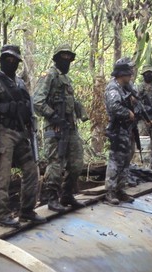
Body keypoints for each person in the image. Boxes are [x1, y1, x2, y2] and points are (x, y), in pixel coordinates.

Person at [0, 45, 46, 227]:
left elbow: (28, 109)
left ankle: (27, 210)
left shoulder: (20, 83)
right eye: (7, 60)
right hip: (2, 134)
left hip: (21, 133)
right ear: (1, 60)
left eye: (14, 60)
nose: (11, 63)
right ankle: (2, 216)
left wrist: (33, 132)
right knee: (2, 177)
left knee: (32, 170)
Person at [33, 44, 88, 212]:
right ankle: (51, 197)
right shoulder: (49, 76)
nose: (67, 62)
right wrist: (54, 116)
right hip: (54, 127)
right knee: (55, 162)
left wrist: (81, 112)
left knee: (77, 162)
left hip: (70, 127)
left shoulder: (66, 79)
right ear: (56, 58)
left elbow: (71, 101)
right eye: (63, 58)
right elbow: (37, 102)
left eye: (69, 59)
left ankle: (67, 194)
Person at [103, 58, 138, 205]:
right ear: (122, 73)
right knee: (116, 160)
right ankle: (110, 191)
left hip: (127, 129)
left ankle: (120, 189)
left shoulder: (126, 87)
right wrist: (128, 113)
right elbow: (114, 107)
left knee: (126, 159)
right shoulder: (113, 87)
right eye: (128, 72)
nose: (131, 75)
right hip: (117, 129)